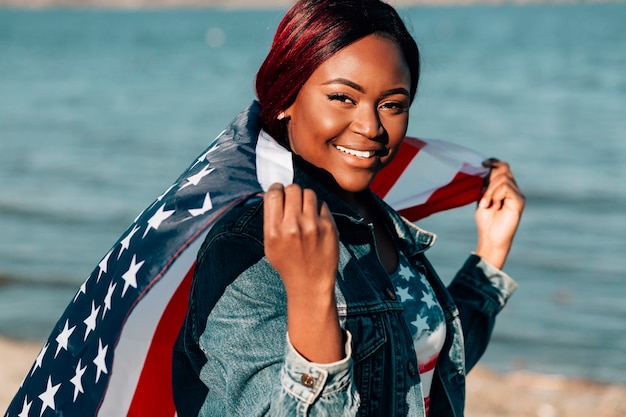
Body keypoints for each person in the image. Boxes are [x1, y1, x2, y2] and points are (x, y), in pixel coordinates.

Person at [172, 0, 525, 416]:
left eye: (393, 104)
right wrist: (310, 297)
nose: (372, 127)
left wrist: (491, 253)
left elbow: (423, 365)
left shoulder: (378, 220)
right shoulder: (251, 244)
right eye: (342, 97)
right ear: (286, 97)